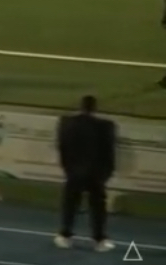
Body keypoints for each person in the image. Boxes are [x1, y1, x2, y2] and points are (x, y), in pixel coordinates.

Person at [55, 95, 117, 252]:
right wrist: (106, 172)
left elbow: (62, 147)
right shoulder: (105, 126)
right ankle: (99, 239)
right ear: (95, 107)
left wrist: (68, 168)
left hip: (75, 171)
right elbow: (109, 152)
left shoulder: (67, 123)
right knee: (97, 207)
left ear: (81, 106)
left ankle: (65, 235)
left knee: (71, 204)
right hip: (95, 173)